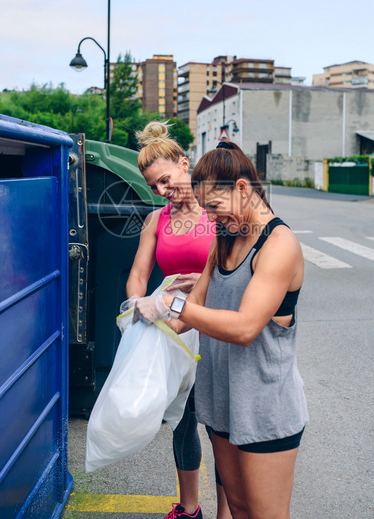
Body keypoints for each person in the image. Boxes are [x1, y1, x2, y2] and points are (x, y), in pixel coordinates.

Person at [135, 140, 309, 519]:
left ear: (243, 188)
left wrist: (171, 303)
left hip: (266, 407)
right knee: (240, 509)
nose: (210, 218)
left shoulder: (278, 245)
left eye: (214, 206)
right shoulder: (224, 240)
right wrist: (142, 319)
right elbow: (187, 315)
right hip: (224, 402)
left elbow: (245, 327)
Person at [126, 122, 231, 519]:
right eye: (154, 186)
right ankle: (189, 509)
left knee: (220, 426)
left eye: (166, 180)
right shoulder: (157, 221)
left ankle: (227, 511)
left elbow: (238, 266)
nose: (162, 190)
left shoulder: (217, 211)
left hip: (215, 324)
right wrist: (137, 304)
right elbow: (138, 274)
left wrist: (206, 278)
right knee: (183, 422)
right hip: (174, 331)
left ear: (185, 164)